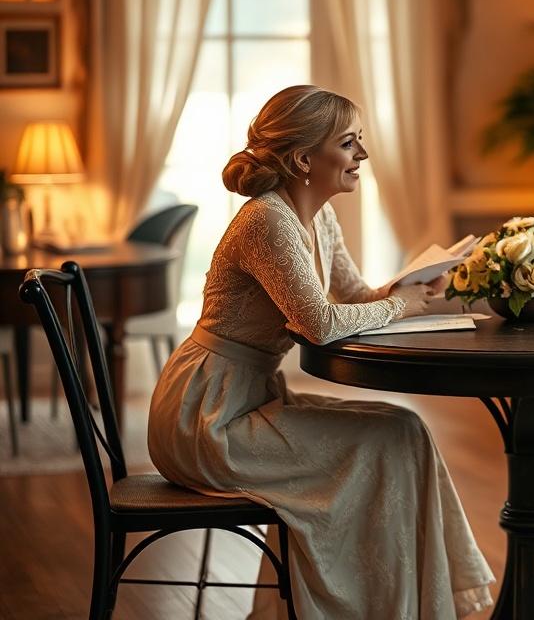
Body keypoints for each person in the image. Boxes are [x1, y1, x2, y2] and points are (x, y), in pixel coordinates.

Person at [148, 85, 495, 619]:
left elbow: (355, 296)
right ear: (305, 158)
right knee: (387, 440)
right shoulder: (265, 220)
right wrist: (401, 309)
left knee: (405, 431)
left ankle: (407, 605)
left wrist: (420, 285)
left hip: (248, 400)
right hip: (207, 415)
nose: (363, 155)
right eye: (350, 143)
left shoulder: (319, 218)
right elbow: (319, 324)